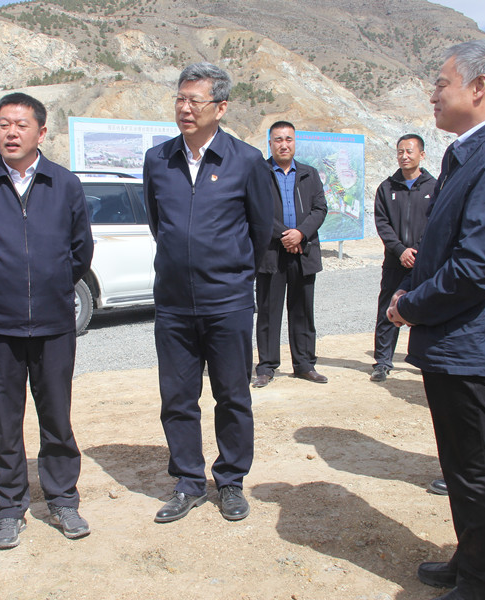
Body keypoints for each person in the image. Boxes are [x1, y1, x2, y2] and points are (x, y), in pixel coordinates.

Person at [387, 40, 485, 599]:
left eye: (441, 84)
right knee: (464, 466)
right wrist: (412, 289)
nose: (432, 95)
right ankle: (474, 561)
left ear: (478, 87)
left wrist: (410, 305)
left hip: (480, 345)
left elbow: (478, 266)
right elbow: (449, 247)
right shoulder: (475, 151)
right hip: (460, 342)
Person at [0, 92, 94, 549]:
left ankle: (63, 499)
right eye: (3, 124)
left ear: (41, 131)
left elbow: (81, 250)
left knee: (56, 418)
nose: (11, 133)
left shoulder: (64, 184)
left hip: (54, 325)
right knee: (5, 422)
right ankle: (10, 508)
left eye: (20, 125)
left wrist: (52, 287)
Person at [143, 63, 272, 523]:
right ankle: (188, 482)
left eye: (194, 100)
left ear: (220, 107)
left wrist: (230, 274)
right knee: (177, 398)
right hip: (174, 304)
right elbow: (159, 223)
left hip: (228, 302)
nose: (185, 108)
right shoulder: (158, 160)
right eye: (180, 99)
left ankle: (231, 481)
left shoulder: (247, 160)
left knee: (232, 395)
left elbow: (261, 230)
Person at [252, 120, 328, 388]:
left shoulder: (310, 173)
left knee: (302, 310)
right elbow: (255, 210)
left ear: (295, 142)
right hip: (271, 253)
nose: (283, 145)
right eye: (278, 140)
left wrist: (301, 234)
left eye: (288, 139)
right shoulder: (258, 173)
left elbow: (320, 208)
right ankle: (266, 367)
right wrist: (286, 235)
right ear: (270, 143)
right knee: (268, 312)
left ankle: (305, 365)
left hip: (304, 252)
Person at [371, 134, 436, 383]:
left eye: (409, 151)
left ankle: (427, 359)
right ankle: (382, 362)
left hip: (424, 261)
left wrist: (418, 251)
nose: (404, 156)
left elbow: (436, 223)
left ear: (422, 154)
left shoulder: (434, 187)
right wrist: (400, 251)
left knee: (428, 308)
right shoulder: (387, 188)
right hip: (395, 261)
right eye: (400, 152)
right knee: (388, 309)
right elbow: (382, 224)